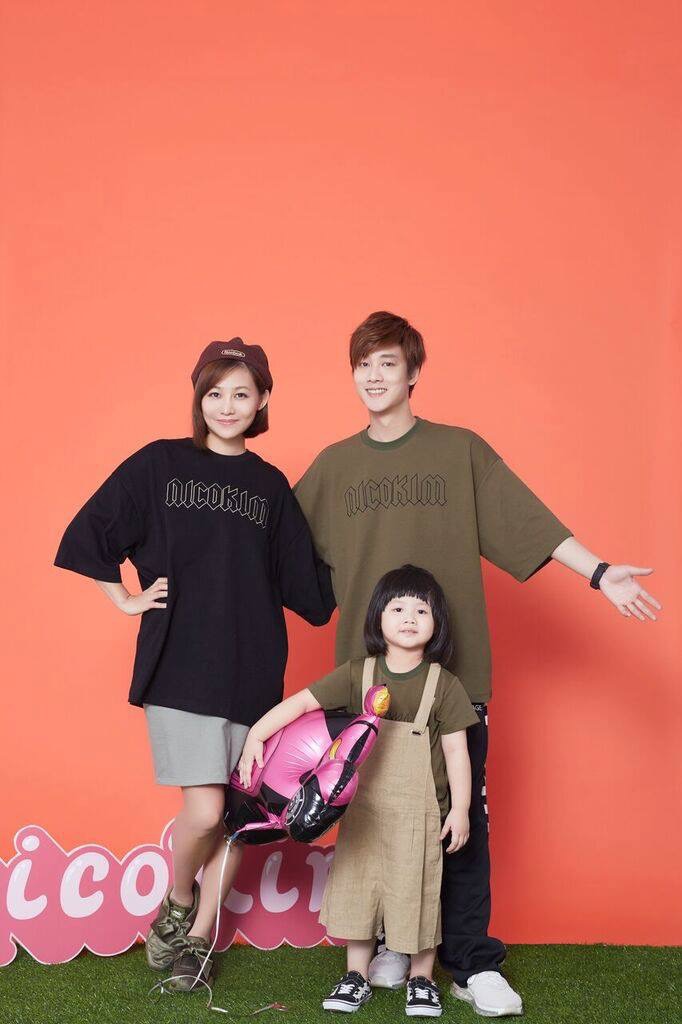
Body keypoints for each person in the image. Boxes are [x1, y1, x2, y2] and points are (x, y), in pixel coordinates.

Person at [292, 311, 661, 1017]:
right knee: (376, 820)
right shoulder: (334, 467)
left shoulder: (459, 450)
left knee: (459, 821)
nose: (374, 376)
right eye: (363, 364)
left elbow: (528, 521)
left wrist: (598, 571)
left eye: (388, 363)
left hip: (452, 683)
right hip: (367, 685)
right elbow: (276, 551)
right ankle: (395, 943)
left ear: (414, 373)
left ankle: (472, 963)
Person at [54, 338, 335, 993]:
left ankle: (200, 938)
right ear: (199, 398)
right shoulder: (160, 464)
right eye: (214, 393)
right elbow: (90, 532)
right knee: (206, 811)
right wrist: (125, 599)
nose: (227, 406)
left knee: (239, 814)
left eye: (241, 393)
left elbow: (311, 591)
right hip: (180, 665)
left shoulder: (270, 487)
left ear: (262, 400)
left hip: (253, 671)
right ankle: (179, 901)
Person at [239, 565, 480, 1017]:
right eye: (398, 608)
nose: (409, 618)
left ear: (437, 623)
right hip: (363, 812)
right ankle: (356, 975)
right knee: (358, 887)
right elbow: (301, 703)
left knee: (418, 890)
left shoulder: (444, 685)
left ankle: (422, 978)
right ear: (378, 617)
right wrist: (257, 734)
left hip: (419, 814)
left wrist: (461, 808)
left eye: (421, 610)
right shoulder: (359, 674)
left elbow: (457, 752)